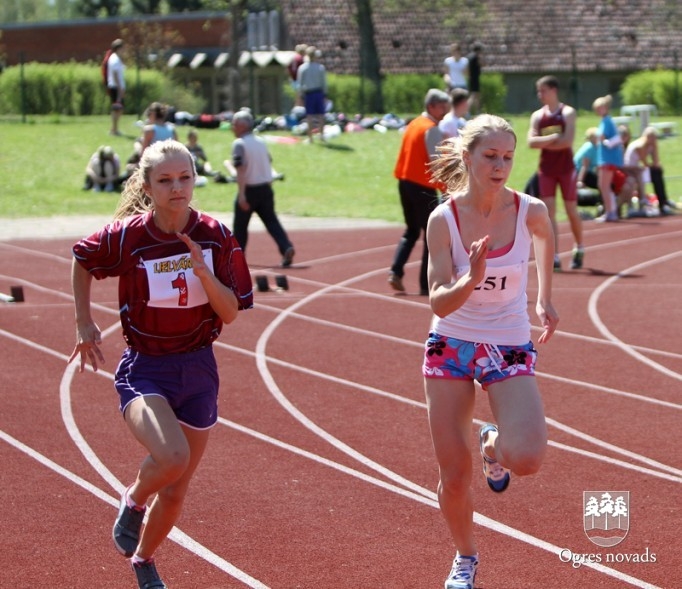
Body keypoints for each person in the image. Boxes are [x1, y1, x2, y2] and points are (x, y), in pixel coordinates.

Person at [68, 139, 253, 589]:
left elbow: (230, 312)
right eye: (166, 181)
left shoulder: (216, 235)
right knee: (171, 457)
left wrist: (203, 273)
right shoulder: (129, 236)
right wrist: (84, 322)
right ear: (148, 186)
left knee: (175, 490)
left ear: (195, 179)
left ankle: (144, 560)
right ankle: (132, 501)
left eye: (185, 178)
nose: (177, 188)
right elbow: (82, 258)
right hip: (146, 367)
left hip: (198, 368)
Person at [423, 114, 558, 589]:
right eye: (490, 156)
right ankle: (465, 558)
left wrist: (543, 295)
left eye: (507, 157)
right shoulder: (444, 219)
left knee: (528, 457)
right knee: (454, 476)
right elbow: (438, 298)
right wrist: (470, 280)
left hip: (508, 342)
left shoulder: (530, 210)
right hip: (452, 342)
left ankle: (491, 443)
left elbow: (545, 238)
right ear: (468, 157)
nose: (500, 166)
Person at [388, 88, 451, 295]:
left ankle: (396, 270)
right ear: (431, 106)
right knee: (431, 235)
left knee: (411, 230)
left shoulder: (414, 124)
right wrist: (446, 188)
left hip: (404, 182)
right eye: (442, 107)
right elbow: (436, 163)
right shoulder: (431, 129)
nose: (445, 112)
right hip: (422, 186)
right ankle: (426, 283)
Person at [527, 75, 584, 271]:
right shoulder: (537, 116)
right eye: (538, 91)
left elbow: (567, 141)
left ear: (554, 90)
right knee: (548, 212)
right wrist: (553, 138)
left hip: (566, 169)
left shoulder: (568, 112)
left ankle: (579, 247)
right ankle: (555, 255)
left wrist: (544, 142)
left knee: (571, 210)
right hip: (546, 170)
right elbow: (530, 142)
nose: (539, 94)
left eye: (543, 90)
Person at [230, 108, 295, 267]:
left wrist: (242, 194)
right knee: (271, 221)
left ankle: (238, 257)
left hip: (250, 189)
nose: (232, 127)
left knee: (240, 226)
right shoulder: (261, 142)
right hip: (265, 188)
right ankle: (286, 246)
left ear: (242, 126)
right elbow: (268, 162)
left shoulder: (239, 144)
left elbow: (240, 169)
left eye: (234, 124)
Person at [574, 127, 636, 216]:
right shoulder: (590, 148)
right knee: (605, 185)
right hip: (580, 173)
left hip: (587, 173)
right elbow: (584, 166)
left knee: (606, 184)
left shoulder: (596, 148)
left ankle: (607, 207)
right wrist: (580, 181)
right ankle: (605, 208)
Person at [623, 126, 678, 215]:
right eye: (650, 137)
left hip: (638, 169)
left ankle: (662, 202)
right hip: (630, 169)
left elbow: (656, 162)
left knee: (658, 171)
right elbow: (644, 162)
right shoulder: (640, 145)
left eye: (654, 137)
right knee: (655, 172)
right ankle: (647, 201)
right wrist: (654, 165)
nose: (652, 139)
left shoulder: (652, 145)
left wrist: (655, 148)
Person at [592, 94, 623, 222]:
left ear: (605, 108)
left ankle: (610, 212)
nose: (599, 111)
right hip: (604, 158)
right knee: (603, 185)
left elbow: (606, 137)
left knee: (604, 185)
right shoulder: (605, 121)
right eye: (597, 109)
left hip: (608, 158)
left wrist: (603, 141)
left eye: (601, 108)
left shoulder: (607, 121)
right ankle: (610, 211)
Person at [296, 46, 328, 143]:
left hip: (308, 94)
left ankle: (310, 138)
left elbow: (300, 84)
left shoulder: (302, 68)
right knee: (321, 115)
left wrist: (300, 96)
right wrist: (325, 95)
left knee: (309, 115)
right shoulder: (320, 68)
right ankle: (321, 136)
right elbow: (324, 83)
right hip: (319, 93)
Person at [106, 39, 126, 136]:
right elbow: (115, 75)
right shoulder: (114, 59)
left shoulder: (117, 58)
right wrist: (119, 89)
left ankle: (115, 128)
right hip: (115, 87)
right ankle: (114, 129)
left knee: (119, 108)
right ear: (118, 48)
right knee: (117, 108)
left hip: (117, 87)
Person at [466, 42, 484, 115]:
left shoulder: (469, 57)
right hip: (475, 78)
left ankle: (478, 111)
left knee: (476, 95)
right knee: (473, 95)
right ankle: (467, 110)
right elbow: (482, 64)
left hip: (471, 78)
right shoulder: (476, 57)